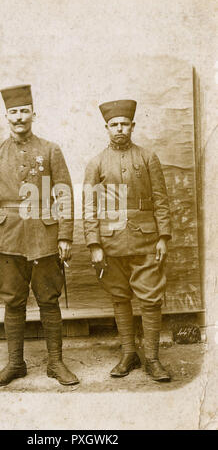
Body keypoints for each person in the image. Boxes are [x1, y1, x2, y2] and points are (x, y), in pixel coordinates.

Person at [0, 84, 79, 387]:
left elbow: (64, 194)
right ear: (5, 116)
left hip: (44, 236)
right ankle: (15, 364)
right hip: (6, 237)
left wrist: (65, 236)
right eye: (13, 112)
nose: (19, 117)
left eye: (24, 111)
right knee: (13, 301)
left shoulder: (50, 149)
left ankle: (56, 363)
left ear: (34, 113)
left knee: (49, 299)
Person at [83, 99, 172, 382]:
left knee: (150, 299)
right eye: (114, 125)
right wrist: (94, 244)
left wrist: (163, 236)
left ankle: (153, 359)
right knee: (120, 298)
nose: (119, 129)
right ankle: (128, 353)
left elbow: (161, 200)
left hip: (146, 239)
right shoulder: (96, 163)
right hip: (110, 243)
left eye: (124, 124)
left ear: (132, 126)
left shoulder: (148, 158)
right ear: (106, 128)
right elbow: (89, 207)